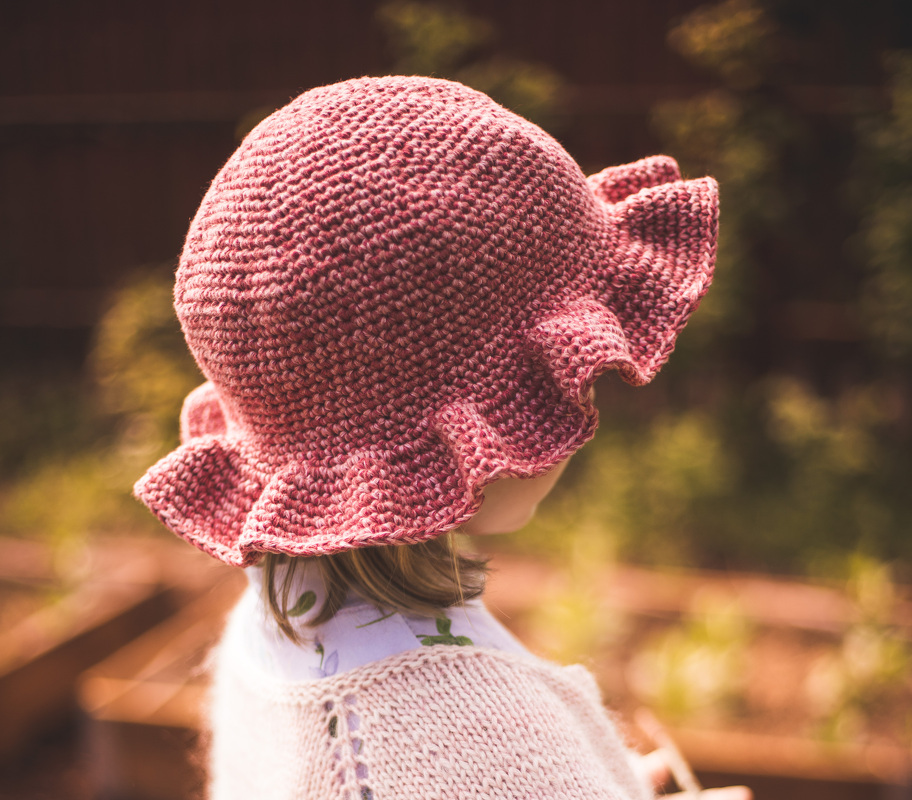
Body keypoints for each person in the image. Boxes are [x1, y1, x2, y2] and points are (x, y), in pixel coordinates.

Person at [135, 75, 749, 800]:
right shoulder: (492, 745)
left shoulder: (278, 626)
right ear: (459, 428)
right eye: (556, 372)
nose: (585, 389)